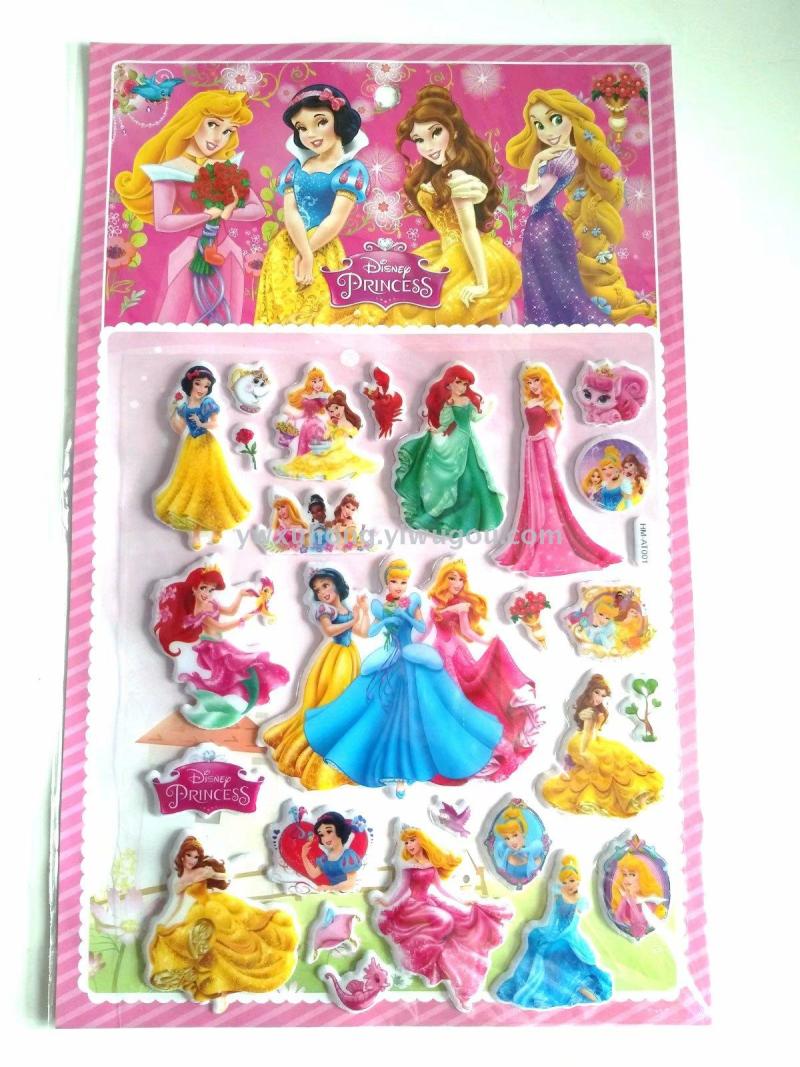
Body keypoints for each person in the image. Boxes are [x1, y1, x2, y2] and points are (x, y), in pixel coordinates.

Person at [303, 560, 503, 794]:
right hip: (392, 659)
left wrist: (405, 617)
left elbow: (420, 627)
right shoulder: (381, 605)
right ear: (387, 582)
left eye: (403, 582)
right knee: (383, 711)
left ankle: (420, 766)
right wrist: (385, 619)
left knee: (425, 709)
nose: (398, 586)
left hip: (412, 659)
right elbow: (372, 632)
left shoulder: (413, 601)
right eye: (394, 581)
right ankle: (397, 771)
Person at [506, 87, 656, 326]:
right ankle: (548, 326)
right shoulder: (555, 156)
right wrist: (539, 160)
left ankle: (564, 324)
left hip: (546, 224)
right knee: (542, 281)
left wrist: (537, 161)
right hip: (542, 224)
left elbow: (532, 198)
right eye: (539, 125)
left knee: (555, 283)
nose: (548, 132)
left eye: (556, 120)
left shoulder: (565, 157)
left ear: (571, 118)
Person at [114, 90, 265, 323]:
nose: (218, 137)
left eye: (228, 131)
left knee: (227, 321)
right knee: (181, 317)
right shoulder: (168, 170)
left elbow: (258, 209)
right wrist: (205, 215)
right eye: (213, 124)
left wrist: (228, 212)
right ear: (193, 121)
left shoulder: (225, 166)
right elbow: (163, 222)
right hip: (191, 254)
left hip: (228, 253)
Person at [385, 86, 521, 325]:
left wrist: (482, 283)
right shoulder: (436, 175)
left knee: (435, 311)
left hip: (464, 256)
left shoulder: (458, 178)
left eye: (435, 133)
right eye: (419, 140)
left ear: (454, 131)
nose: (427, 146)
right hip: (445, 252)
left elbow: (469, 231)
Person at [253, 84, 381, 325]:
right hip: (287, 247)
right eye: (302, 128)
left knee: (318, 313)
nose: (311, 134)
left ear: (339, 120)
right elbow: (290, 211)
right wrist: (303, 252)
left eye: (320, 122)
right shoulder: (295, 167)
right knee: (281, 312)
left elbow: (336, 218)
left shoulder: (350, 170)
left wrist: (309, 252)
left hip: (322, 246)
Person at [495, 364, 620, 575]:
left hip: (543, 445)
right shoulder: (529, 401)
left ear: (543, 381)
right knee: (531, 490)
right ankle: (530, 534)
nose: (532, 385)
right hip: (530, 445)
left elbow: (559, 425)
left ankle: (549, 533)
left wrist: (553, 444)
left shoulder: (550, 401)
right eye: (529, 382)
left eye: (536, 380)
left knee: (548, 490)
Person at [373, 828, 511, 1011]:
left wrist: (462, 900)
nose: (409, 845)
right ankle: (426, 952)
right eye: (406, 842)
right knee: (444, 920)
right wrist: (386, 902)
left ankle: (452, 969)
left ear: (421, 841)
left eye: (412, 840)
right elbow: (401, 889)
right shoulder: (408, 868)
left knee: (458, 922)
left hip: (428, 904)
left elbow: (442, 889)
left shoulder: (431, 865)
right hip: (412, 907)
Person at [425, 559, 540, 780]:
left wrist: (488, 642)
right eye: (452, 578)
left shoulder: (460, 605)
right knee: (449, 704)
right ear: (443, 579)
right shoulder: (435, 605)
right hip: (441, 655)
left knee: (466, 700)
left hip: (457, 652)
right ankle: (459, 747)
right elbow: (426, 630)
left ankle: (490, 744)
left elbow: (467, 631)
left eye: (461, 579)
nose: (457, 583)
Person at [148, 836, 297, 1002]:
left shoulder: (202, 872)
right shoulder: (182, 878)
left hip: (210, 905)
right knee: (210, 929)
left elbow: (223, 876)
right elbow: (179, 899)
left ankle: (224, 964)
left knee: (231, 925)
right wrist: (167, 923)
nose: (192, 860)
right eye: (188, 855)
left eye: (196, 857)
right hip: (195, 911)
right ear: (182, 856)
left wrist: (233, 866)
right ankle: (207, 970)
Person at [263, 568, 368, 789]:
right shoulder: (324, 610)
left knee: (346, 704)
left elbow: (362, 631)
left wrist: (363, 611)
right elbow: (329, 631)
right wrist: (353, 621)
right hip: (334, 660)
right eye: (317, 589)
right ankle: (321, 742)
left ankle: (340, 743)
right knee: (331, 702)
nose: (321, 592)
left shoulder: (346, 608)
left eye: (325, 585)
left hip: (349, 657)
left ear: (337, 585)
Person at [153, 565, 289, 729]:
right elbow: (219, 627)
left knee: (243, 670)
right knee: (227, 677)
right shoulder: (199, 612)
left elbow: (230, 612)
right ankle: (218, 708)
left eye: (211, 590)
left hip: (220, 645)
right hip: (211, 649)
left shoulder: (211, 603)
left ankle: (236, 705)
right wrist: (242, 621)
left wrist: (240, 596)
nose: (207, 593)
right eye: (203, 588)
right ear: (194, 589)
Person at [394, 365, 504, 536]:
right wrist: (434, 429)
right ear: (449, 383)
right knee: (457, 478)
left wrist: (489, 406)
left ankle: (481, 516)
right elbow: (444, 423)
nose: (462, 387)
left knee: (476, 476)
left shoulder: (467, 400)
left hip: (469, 442)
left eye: (465, 384)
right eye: (458, 382)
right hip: (454, 442)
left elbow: (475, 417)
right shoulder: (448, 403)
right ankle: (452, 515)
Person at [153, 364, 250, 550]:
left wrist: (201, 423)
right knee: (193, 487)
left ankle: (218, 528)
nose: (201, 389)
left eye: (206, 386)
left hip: (207, 445)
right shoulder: (184, 406)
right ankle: (196, 533)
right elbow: (179, 428)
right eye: (198, 383)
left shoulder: (208, 403)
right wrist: (173, 413)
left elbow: (215, 423)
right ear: (190, 384)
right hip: (190, 445)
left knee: (212, 486)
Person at [495, 854, 611, 1009]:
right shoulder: (558, 899)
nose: (569, 885)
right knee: (535, 938)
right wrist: (547, 932)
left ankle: (584, 992)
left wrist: (556, 935)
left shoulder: (581, 902)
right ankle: (538, 982)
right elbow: (552, 920)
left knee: (556, 952)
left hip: (569, 938)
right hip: (555, 933)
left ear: (578, 881)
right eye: (564, 882)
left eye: (572, 881)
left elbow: (572, 924)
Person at [541, 675, 662, 817]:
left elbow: (593, 732)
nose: (599, 698)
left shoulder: (597, 710)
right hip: (584, 742)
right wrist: (584, 752)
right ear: (589, 691)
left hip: (593, 740)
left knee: (618, 753)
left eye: (603, 695)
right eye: (597, 692)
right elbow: (587, 733)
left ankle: (634, 792)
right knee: (610, 757)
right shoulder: (590, 712)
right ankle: (621, 796)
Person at [300, 812, 363, 891]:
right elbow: (313, 874)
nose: (325, 838)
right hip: (331, 893)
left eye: (329, 831)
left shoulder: (348, 856)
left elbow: (351, 883)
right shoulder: (325, 859)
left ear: (340, 831)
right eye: (321, 835)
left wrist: (330, 888)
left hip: (343, 893)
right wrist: (304, 856)